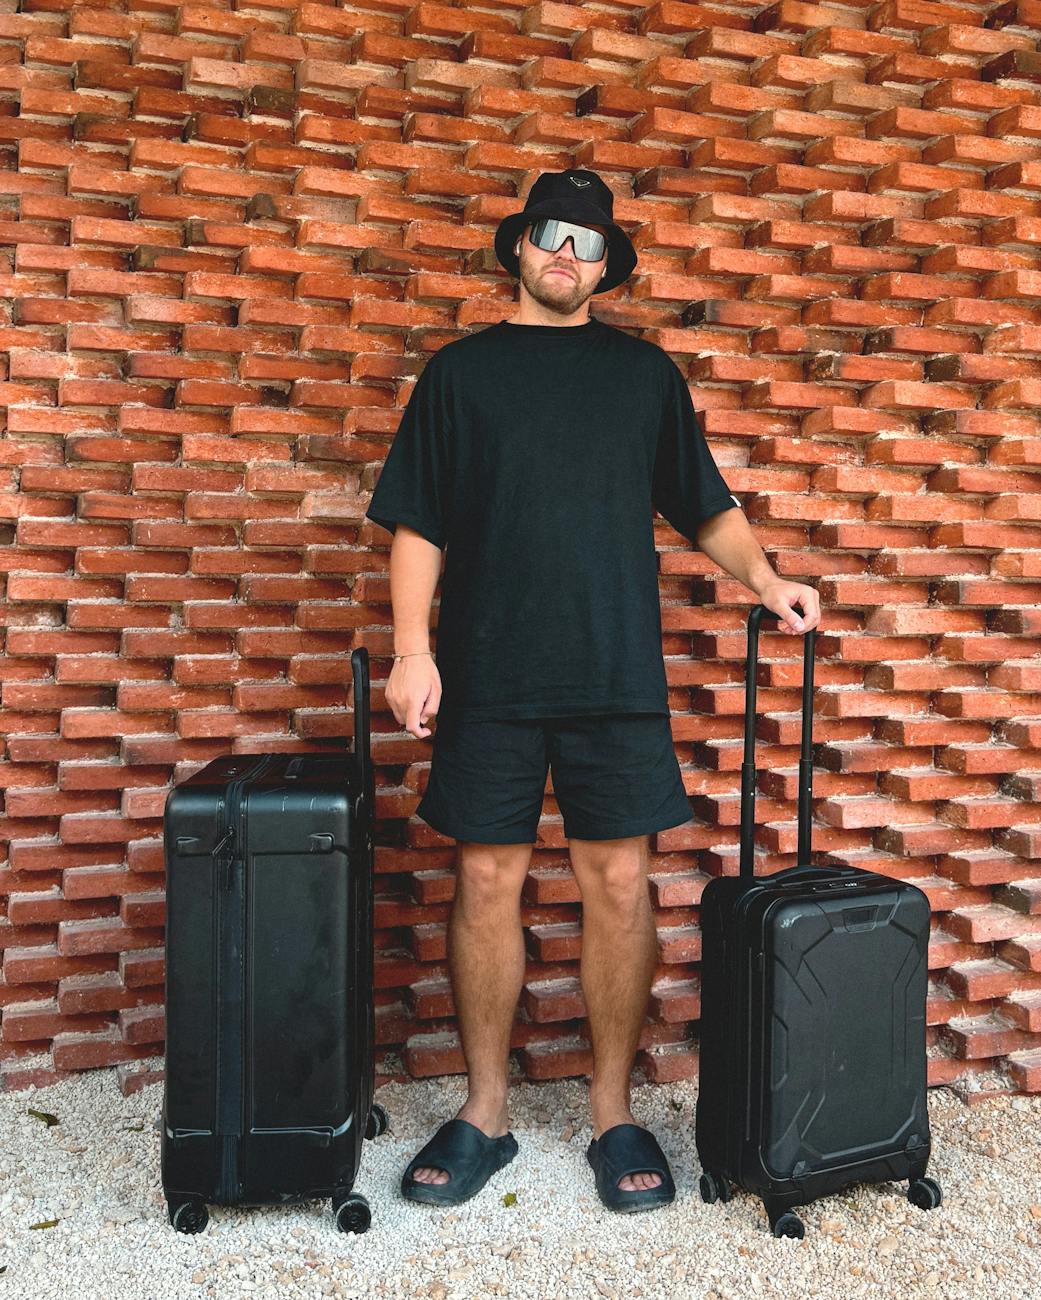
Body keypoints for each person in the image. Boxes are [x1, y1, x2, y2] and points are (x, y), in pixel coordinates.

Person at [364, 168, 821, 1213]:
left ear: (608, 263)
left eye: (589, 241)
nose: (567, 254)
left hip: (616, 673)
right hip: (488, 670)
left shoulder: (644, 377)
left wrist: (768, 579)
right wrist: (410, 650)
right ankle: (485, 1112)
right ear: (517, 249)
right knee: (486, 880)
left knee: (619, 884)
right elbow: (418, 524)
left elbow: (704, 505)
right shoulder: (460, 376)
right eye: (549, 234)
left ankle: (614, 1112)